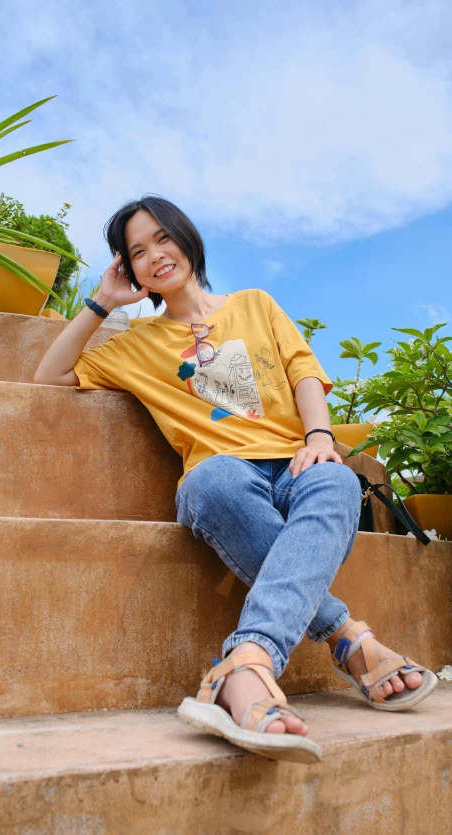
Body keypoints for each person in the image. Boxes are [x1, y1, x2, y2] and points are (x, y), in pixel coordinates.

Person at [35, 195, 437, 763]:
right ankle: (336, 640)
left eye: (163, 239)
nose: (156, 256)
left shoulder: (254, 303)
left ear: (187, 237)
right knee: (213, 481)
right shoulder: (133, 347)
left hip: (296, 462)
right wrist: (101, 301)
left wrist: (319, 439)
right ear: (129, 269)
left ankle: (257, 662)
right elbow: (48, 376)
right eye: (138, 252)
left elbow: (302, 371)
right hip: (222, 475)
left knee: (340, 485)